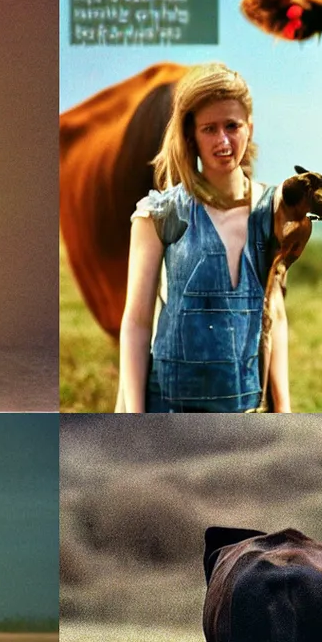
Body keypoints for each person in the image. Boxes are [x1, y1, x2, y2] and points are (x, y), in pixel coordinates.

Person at [116, 64, 291, 412]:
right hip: (168, 408)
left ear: (249, 128)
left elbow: (274, 316)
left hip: (245, 408)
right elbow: (136, 323)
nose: (223, 141)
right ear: (190, 135)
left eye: (232, 126)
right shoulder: (159, 214)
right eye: (209, 129)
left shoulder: (273, 210)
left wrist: (283, 409)